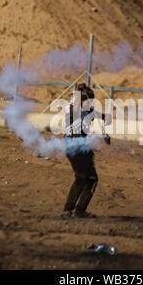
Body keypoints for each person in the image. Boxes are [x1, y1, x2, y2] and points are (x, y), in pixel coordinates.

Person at [61, 83, 110, 219]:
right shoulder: (73, 109)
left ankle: (76, 210)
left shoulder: (88, 111)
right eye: (89, 100)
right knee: (83, 178)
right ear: (82, 100)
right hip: (74, 148)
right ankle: (72, 210)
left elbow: (103, 116)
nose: (91, 102)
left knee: (90, 179)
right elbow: (77, 106)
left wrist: (106, 119)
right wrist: (78, 90)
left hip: (83, 149)